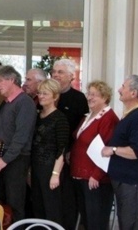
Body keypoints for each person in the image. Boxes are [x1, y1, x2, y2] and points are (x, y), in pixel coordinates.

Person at [102, 75, 138, 230]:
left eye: (123, 86)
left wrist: (112, 150)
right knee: (126, 221)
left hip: (134, 181)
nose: (119, 89)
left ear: (133, 93)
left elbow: (137, 151)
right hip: (126, 179)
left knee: (133, 223)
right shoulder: (132, 114)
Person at [0, 65, 36, 223]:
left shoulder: (25, 103)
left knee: (15, 201)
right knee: (0, 201)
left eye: (0, 81)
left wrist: (5, 160)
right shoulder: (5, 103)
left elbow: (21, 136)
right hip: (1, 153)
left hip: (16, 157)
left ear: (12, 80)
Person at [71, 81, 118, 230]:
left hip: (95, 179)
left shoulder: (108, 118)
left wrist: (96, 175)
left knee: (96, 221)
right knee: (86, 220)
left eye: (93, 95)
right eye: (88, 94)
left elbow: (107, 149)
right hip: (80, 175)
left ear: (104, 98)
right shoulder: (89, 116)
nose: (89, 98)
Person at [51, 58, 88, 228]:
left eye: (60, 72)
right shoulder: (45, 96)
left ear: (71, 76)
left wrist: (72, 151)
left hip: (67, 157)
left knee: (67, 200)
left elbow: (82, 129)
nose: (56, 75)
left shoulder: (78, 99)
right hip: (46, 156)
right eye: (54, 71)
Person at [30, 79, 69, 225]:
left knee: (52, 209)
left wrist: (55, 175)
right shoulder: (37, 116)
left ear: (55, 96)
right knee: (38, 207)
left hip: (50, 168)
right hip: (36, 168)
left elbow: (62, 149)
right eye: (39, 93)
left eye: (45, 93)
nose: (41, 96)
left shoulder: (60, 119)